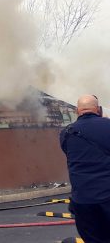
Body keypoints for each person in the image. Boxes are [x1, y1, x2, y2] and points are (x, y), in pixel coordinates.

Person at [60, 94, 110, 242]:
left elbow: (68, 153)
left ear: (77, 111)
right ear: (98, 110)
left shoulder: (66, 132)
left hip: (82, 201)